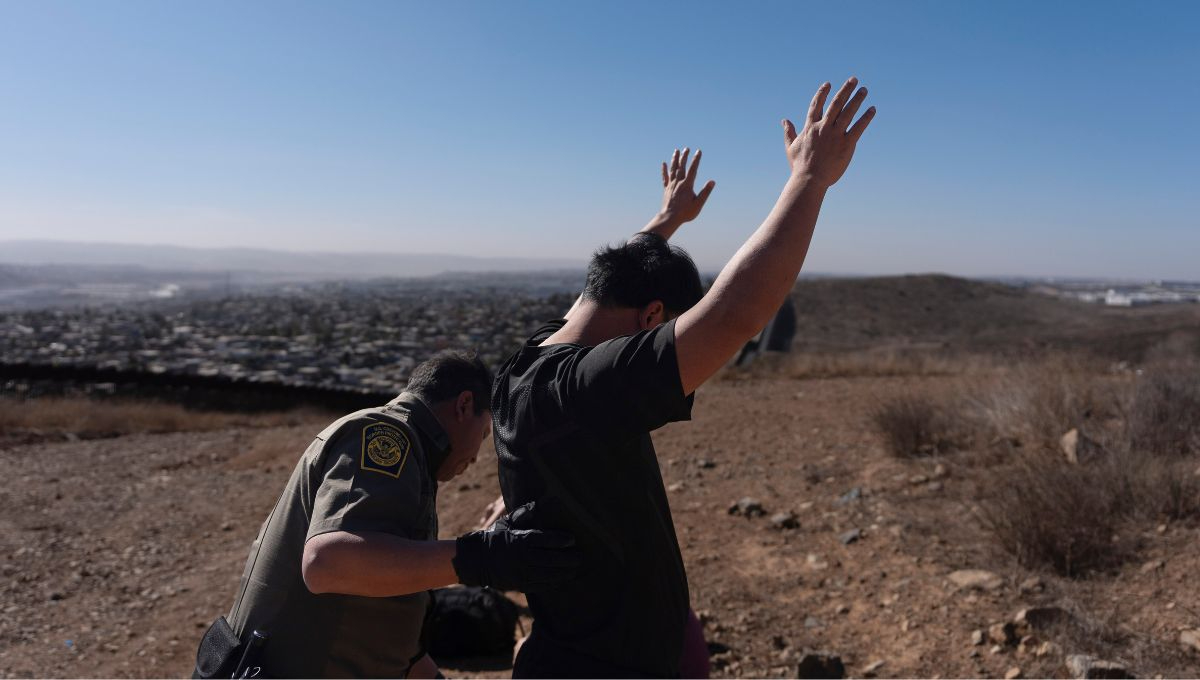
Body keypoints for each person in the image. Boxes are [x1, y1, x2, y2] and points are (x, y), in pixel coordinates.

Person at [491, 77, 875, 677]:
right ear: (650, 319)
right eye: (661, 328)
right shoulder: (588, 390)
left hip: (578, 647)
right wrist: (809, 180)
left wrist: (664, 222)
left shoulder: (529, 361)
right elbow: (734, 313)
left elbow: (606, 287)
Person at [194, 350, 579, 679]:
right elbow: (328, 562)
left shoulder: (414, 463)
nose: (476, 456)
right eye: (482, 436)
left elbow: (393, 632)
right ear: (464, 405)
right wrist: (484, 557)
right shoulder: (386, 437)